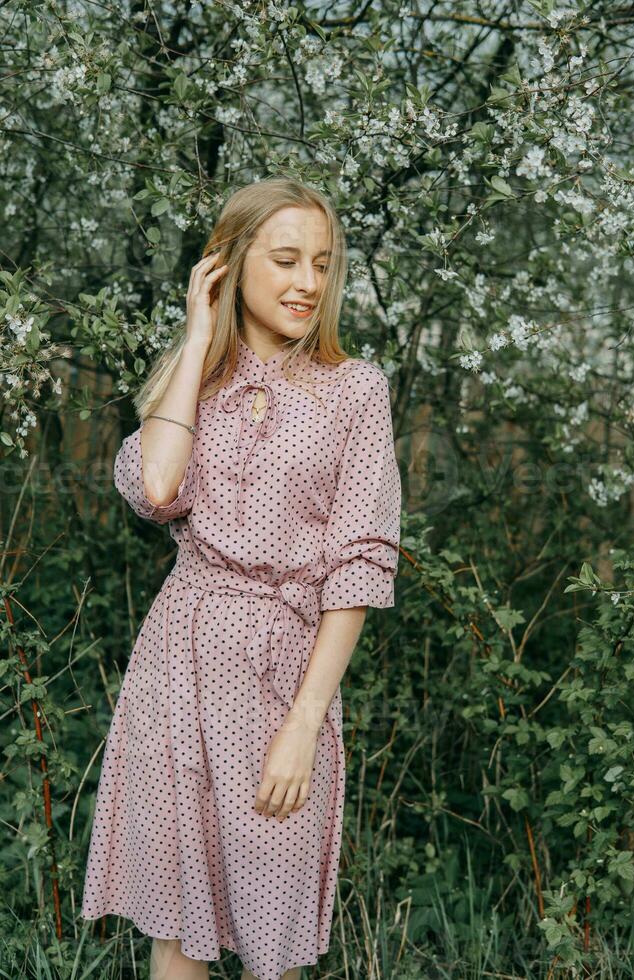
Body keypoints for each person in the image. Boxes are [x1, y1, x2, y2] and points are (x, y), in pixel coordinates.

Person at [80, 176, 402, 980]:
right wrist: (196, 339)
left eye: (323, 264)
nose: (308, 283)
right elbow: (156, 489)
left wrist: (304, 721)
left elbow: (358, 566)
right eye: (287, 259)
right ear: (228, 265)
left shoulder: (352, 390)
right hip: (177, 669)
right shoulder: (193, 390)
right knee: (179, 939)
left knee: (273, 941)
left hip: (282, 678)